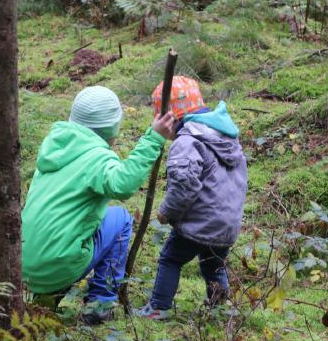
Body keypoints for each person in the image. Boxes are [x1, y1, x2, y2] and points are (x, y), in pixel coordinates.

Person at [21, 85, 176, 325]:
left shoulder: (56, 147)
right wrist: (154, 138)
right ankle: (100, 304)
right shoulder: (96, 158)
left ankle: (46, 296)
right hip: (58, 265)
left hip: (25, 268)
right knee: (122, 220)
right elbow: (123, 185)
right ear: (112, 127)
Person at [136, 76, 248, 320]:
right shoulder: (226, 136)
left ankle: (158, 307)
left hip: (200, 221)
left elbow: (184, 186)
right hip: (228, 221)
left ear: (170, 118)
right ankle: (220, 310)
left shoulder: (187, 142)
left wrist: (167, 212)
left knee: (170, 258)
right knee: (213, 265)